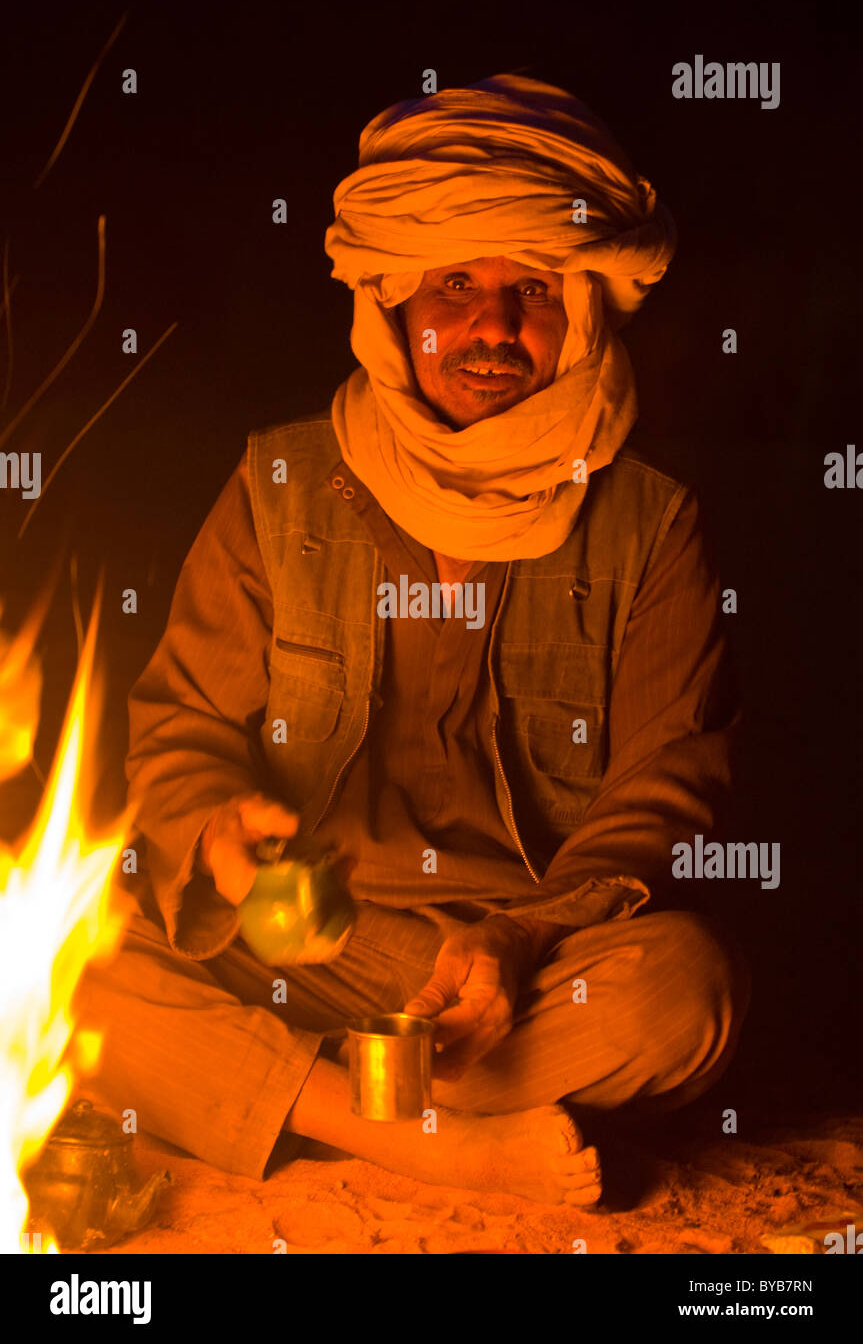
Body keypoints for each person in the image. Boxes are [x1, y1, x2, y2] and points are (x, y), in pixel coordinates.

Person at [78, 75, 749, 1207]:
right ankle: (429, 1140)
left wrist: (516, 938)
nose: (492, 326)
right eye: (454, 285)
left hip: (524, 973)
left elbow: (662, 794)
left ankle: (291, 1102)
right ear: (391, 305)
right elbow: (181, 726)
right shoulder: (278, 481)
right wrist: (219, 829)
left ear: (582, 310)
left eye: (532, 287)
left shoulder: (650, 521)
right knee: (75, 957)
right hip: (317, 953)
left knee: (685, 988)